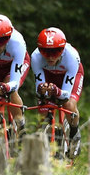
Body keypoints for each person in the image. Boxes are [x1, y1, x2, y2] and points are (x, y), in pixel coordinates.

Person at [31, 27, 83, 159]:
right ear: (39, 49)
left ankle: (74, 133)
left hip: (71, 76)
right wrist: (43, 91)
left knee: (69, 105)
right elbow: (40, 90)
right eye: (46, 51)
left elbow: (64, 95)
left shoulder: (71, 57)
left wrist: (56, 91)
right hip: (50, 76)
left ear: (63, 49)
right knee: (43, 111)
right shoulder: (36, 57)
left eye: (55, 52)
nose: (50, 57)